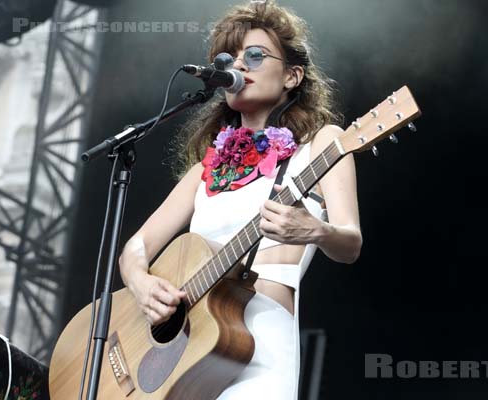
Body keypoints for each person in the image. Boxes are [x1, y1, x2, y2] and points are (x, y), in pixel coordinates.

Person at [118, 0, 362, 398]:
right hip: (189, 349)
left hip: (260, 347)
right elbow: (135, 248)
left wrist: (316, 230)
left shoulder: (322, 144)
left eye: (255, 55)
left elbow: (350, 243)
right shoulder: (206, 169)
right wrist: (142, 284)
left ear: (292, 75)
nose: (239, 65)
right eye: (228, 57)